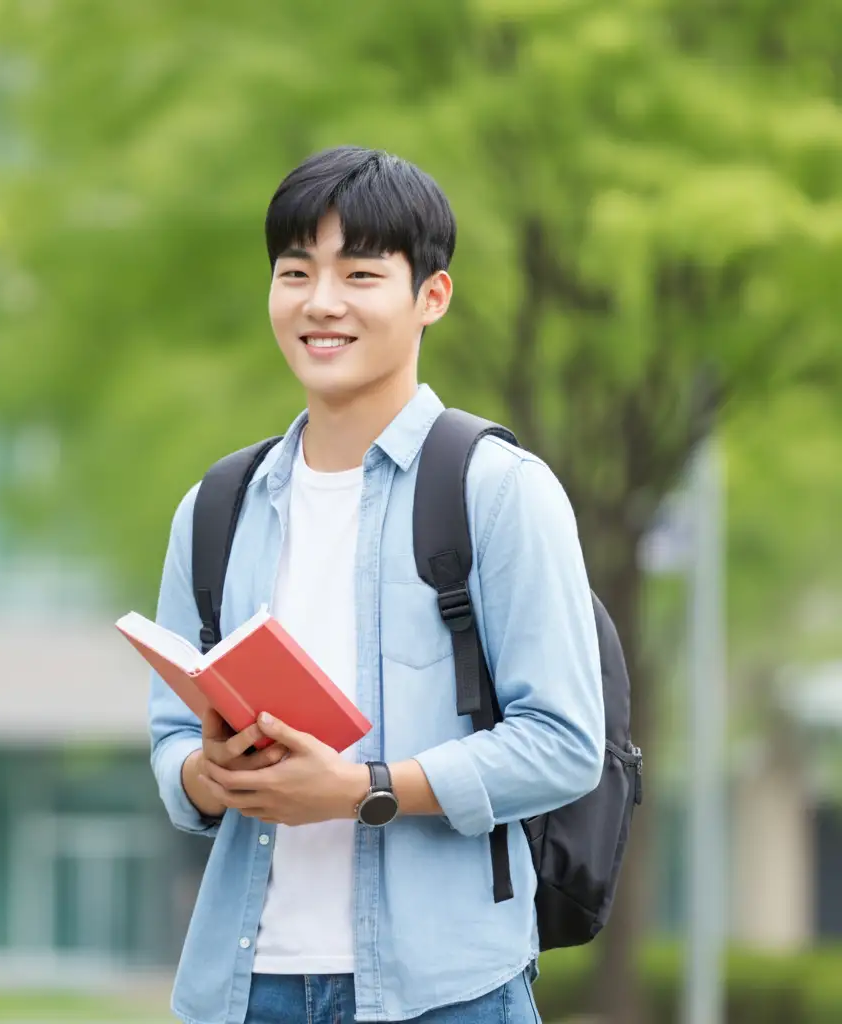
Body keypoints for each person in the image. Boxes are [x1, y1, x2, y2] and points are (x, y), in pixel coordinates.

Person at [148, 146, 605, 1024]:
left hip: (446, 994)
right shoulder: (215, 508)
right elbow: (171, 744)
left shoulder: (497, 491)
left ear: (431, 296)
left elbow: (563, 743)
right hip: (245, 993)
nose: (320, 302)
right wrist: (211, 773)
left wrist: (364, 791)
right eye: (295, 272)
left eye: (359, 273)